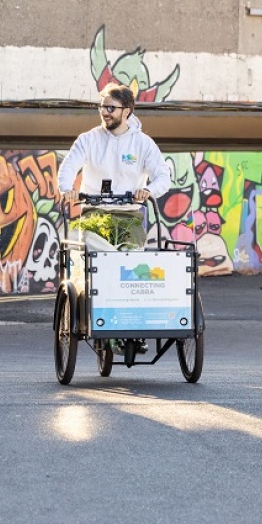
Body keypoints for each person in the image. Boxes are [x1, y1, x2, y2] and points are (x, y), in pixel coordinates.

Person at [57, 82, 172, 354]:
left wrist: (148, 191)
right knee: (100, 264)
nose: (105, 112)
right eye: (102, 107)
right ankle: (98, 324)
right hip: (94, 214)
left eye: (111, 108)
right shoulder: (89, 139)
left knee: (132, 271)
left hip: (129, 217)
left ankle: (133, 329)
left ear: (127, 111)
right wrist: (67, 190)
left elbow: (163, 176)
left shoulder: (143, 144)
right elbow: (69, 166)